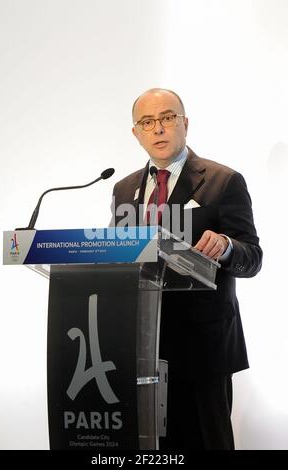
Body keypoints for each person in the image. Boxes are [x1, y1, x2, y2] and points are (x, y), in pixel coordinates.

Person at [110, 88, 263, 450]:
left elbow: (253, 257)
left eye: (167, 118)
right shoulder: (123, 189)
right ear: (136, 133)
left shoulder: (223, 181)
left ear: (185, 124)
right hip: (140, 343)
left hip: (202, 346)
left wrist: (226, 247)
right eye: (147, 122)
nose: (158, 128)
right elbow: (120, 257)